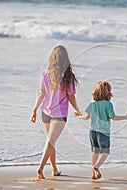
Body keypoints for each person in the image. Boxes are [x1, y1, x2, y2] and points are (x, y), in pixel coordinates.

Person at [30, 45, 81, 179]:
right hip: (59, 115)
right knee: (50, 141)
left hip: (45, 112)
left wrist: (34, 109)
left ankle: (54, 169)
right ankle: (40, 169)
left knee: (50, 141)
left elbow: (41, 94)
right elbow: (71, 96)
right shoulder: (68, 76)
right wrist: (77, 110)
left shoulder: (45, 73)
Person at [77, 81, 127, 179]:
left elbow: (86, 117)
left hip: (92, 132)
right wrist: (125, 117)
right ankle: (96, 166)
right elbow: (113, 117)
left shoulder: (92, 104)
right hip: (103, 132)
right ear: (108, 92)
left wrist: (79, 116)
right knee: (105, 152)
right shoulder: (108, 104)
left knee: (95, 151)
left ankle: (93, 174)